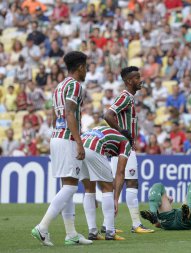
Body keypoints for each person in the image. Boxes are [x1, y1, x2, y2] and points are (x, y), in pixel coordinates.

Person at [31, 51, 92, 246]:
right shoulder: (75, 85)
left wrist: (57, 132)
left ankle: (71, 233)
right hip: (67, 139)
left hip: (56, 137)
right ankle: (42, 227)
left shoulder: (59, 86)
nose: (87, 70)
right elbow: (69, 113)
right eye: (86, 67)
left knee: (67, 186)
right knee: (71, 186)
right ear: (80, 67)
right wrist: (79, 142)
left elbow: (53, 114)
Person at [104, 66, 154, 234]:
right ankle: (136, 224)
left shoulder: (130, 98)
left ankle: (107, 223)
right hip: (124, 146)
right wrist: (121, 132)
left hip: (123, 146)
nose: (140, 80)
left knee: (117, 183)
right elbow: (107, 115)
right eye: (137, 78)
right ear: (128, 81)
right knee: (131, 182)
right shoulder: (125, 97)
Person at [81, 126, 130, 241]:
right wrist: (115, 199)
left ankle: (92, 232)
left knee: (89, 190)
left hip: (78, 148)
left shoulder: (108, 133)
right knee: (108, 188)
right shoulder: (126, 142)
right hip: (94, 148)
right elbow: (120, 172)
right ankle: (110, 231)